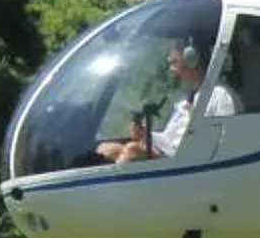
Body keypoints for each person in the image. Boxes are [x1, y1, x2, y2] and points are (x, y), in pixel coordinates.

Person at [97, 40, 236, 163]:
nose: (171, 69)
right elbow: (169, 141)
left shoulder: (219, 95)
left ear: (191, 60)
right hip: (170, 157)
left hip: (188, 164)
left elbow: (224, 141)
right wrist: (145, 135)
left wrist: (195, 129)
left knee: (132, 150)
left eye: (174, 63)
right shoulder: (184, 101)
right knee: (106, 149)